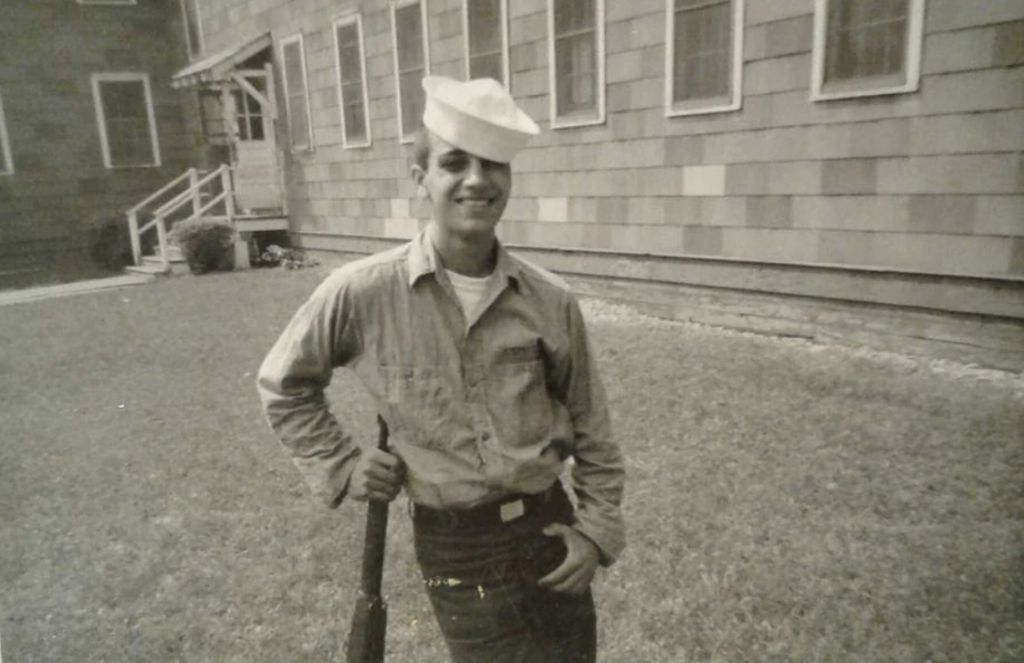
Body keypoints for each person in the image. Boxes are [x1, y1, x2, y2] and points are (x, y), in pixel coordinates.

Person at [257, 75, 626, 663]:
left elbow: (594, 429)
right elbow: (286, 384)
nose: (477, 180)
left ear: (508, 180)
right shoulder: (362, 292)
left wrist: (596, 532)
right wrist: (343, 465)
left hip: (549, 532)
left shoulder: (551, 300)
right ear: (421, 179)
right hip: (457, 549)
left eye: (494, 165)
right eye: (455, 163)